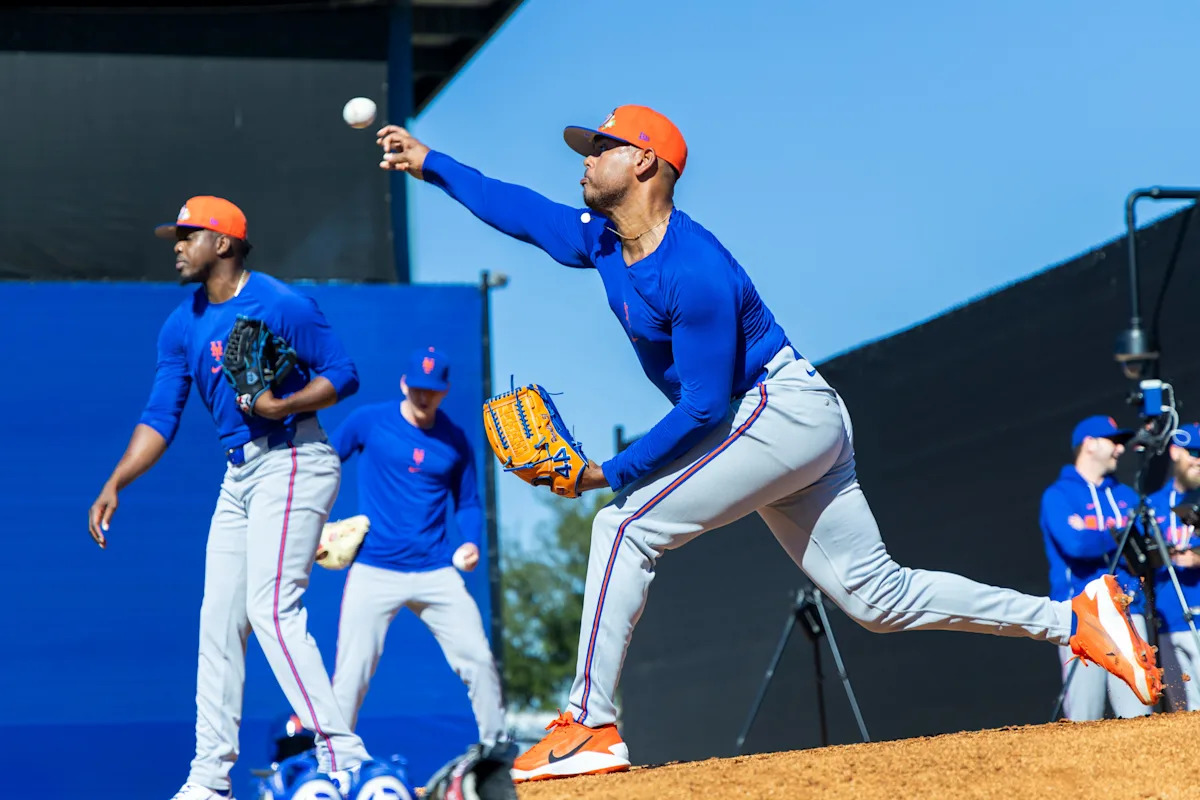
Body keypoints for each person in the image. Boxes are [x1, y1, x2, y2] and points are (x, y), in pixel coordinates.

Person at [374, 105, 1162, 781]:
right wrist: (430, 162)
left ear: (644, 162)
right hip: (773, 425)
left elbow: (704, 408)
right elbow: (516, 209)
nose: (586, 158)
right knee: (878, 599)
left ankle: (589, 722)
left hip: (780, 412)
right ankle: (1078, 619)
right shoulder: (604, 240)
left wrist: (607, 472)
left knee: (623, 525)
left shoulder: (694, 268)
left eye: (601, 147)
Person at [86, 196, 374, 799]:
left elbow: (343, 372)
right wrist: (116, 480)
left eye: (187, 234)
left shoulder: (280, 303)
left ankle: (345, 759)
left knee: (272, 609)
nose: (177, 245)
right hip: (239, 475)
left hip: (294, 455)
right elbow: (160, 415)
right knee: (218, 623)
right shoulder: (182, 324)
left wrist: (283, 403)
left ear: (223, 243)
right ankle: (209, 780)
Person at [329, 347, 506, 748]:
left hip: (435, 569)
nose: (424, 396)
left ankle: (497, 750)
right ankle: (332, 760)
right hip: (374, 568)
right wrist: (315, 520)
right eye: (418, 388)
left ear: (445, 391)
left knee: (478, 659)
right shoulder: (369, 421)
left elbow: (468, 502)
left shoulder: (455, 440)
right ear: (404, 384)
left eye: (433, 389)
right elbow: (325, 462)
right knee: (352, 671)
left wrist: (471, 542)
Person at [1038, 415, 1151, 720]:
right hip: (1081, 613)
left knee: (1140, 715)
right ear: (1089, 444)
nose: (1120, 449)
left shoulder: (1127, 497)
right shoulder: (1058, 495)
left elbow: (1142, 552)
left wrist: (1094, 535)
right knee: (1084, 718)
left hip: (1128, 612)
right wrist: (1119, 535)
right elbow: (1075, 546)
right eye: (1113, 441)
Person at [1147, 422, 1200, 711]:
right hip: (1167, 621)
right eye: (1194, 452)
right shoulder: (1152, 505)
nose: (1199, 460)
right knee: (1180, 713)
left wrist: (1197, 557)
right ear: (1175, 452)